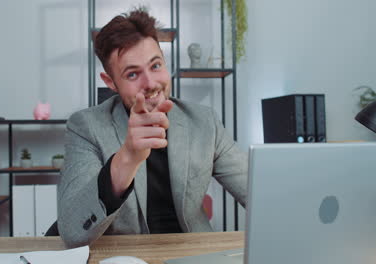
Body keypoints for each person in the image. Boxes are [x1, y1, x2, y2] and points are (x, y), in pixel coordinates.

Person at [57, 8, 248, 248]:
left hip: (193, 254)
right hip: (124, 258)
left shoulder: (204, 122)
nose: (150, 83)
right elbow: (73, 231)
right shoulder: (85, 127)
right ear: (110, 82)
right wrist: (126, 158)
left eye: (156, 66)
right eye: (133, 74)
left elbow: (259, 194)